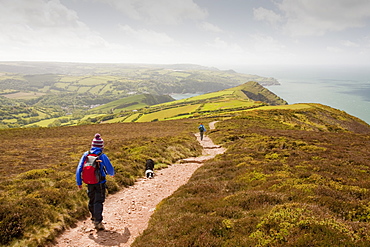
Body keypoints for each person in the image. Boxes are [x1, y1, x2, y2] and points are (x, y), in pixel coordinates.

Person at [76, 133, 115, 231]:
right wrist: (112, 174)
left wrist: (79, 182)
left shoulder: (86, 154)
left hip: (89, 182)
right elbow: (109, 168)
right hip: (100, 182)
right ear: (101, 146)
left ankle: (93, 217)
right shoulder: (102, 155)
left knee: (91, 200)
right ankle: (98, 222)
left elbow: (79, 169)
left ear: (92, 145)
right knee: (98, 201)